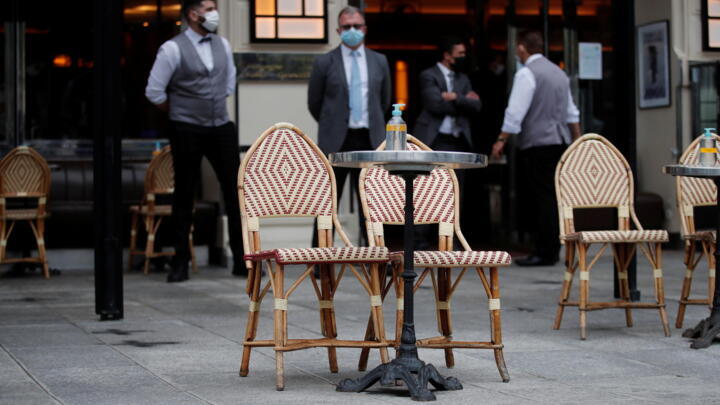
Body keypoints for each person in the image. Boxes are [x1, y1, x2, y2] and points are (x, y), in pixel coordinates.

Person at [145, 0, 244, 282]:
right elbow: (154, 91)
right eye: (209, 8)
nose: (214, 14)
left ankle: (240, 259)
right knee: (184, 193)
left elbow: (228, 84)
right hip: (186, 126)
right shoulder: (172, 48)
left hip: (221, 125)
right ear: (193, 14)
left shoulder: (222, 44)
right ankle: (180, 262)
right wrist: (180, 110)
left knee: (235, 190)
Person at [491, 30, 581, 267]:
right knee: (552, 195)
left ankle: (544, 251)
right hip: (559, 141)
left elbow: (515, 112)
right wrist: (577, 141)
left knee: (541, 197)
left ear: (522, 48)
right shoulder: (559, 73)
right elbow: (572, 112)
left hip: (537, 142)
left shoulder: (527, 73)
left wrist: (501, 139)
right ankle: (551, 248)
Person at [307, 6, 392, 244]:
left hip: (369, 138)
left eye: (356, 26)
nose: (352, 30)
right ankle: (320, 257)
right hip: (336, 140)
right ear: (338, 30)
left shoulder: (379, 61)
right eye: (347, 27)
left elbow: (384, 100)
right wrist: (332, 123)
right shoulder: (324, 62)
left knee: (371, 201)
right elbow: (315, 103)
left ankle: (376, 256)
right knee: (328, 200)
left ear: (364, 29)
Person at [414, 36, 481, 154]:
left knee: (457, 173)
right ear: (447, 56)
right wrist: (464, 101)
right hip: (434, 138)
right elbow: (435, 105)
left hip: (458, 140)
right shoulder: (429, 75)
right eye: (460, 53)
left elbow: (476, 105)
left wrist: (455, 97)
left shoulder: (463, 79)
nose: (463, 57)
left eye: (464, 53)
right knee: (434, 172)